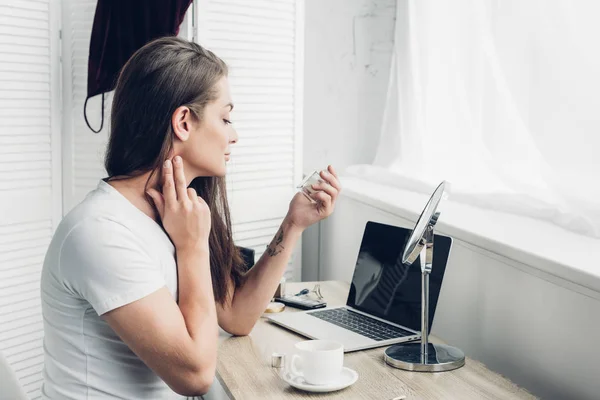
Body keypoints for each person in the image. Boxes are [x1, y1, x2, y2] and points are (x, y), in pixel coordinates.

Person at [40, 36, 341, 399]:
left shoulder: (176, 212)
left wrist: (294, 224)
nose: (234, 135)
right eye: (226, 118)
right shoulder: (100, 232)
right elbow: (195, 375)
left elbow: (236, 316)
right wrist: (192, 246)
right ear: (184, 121)